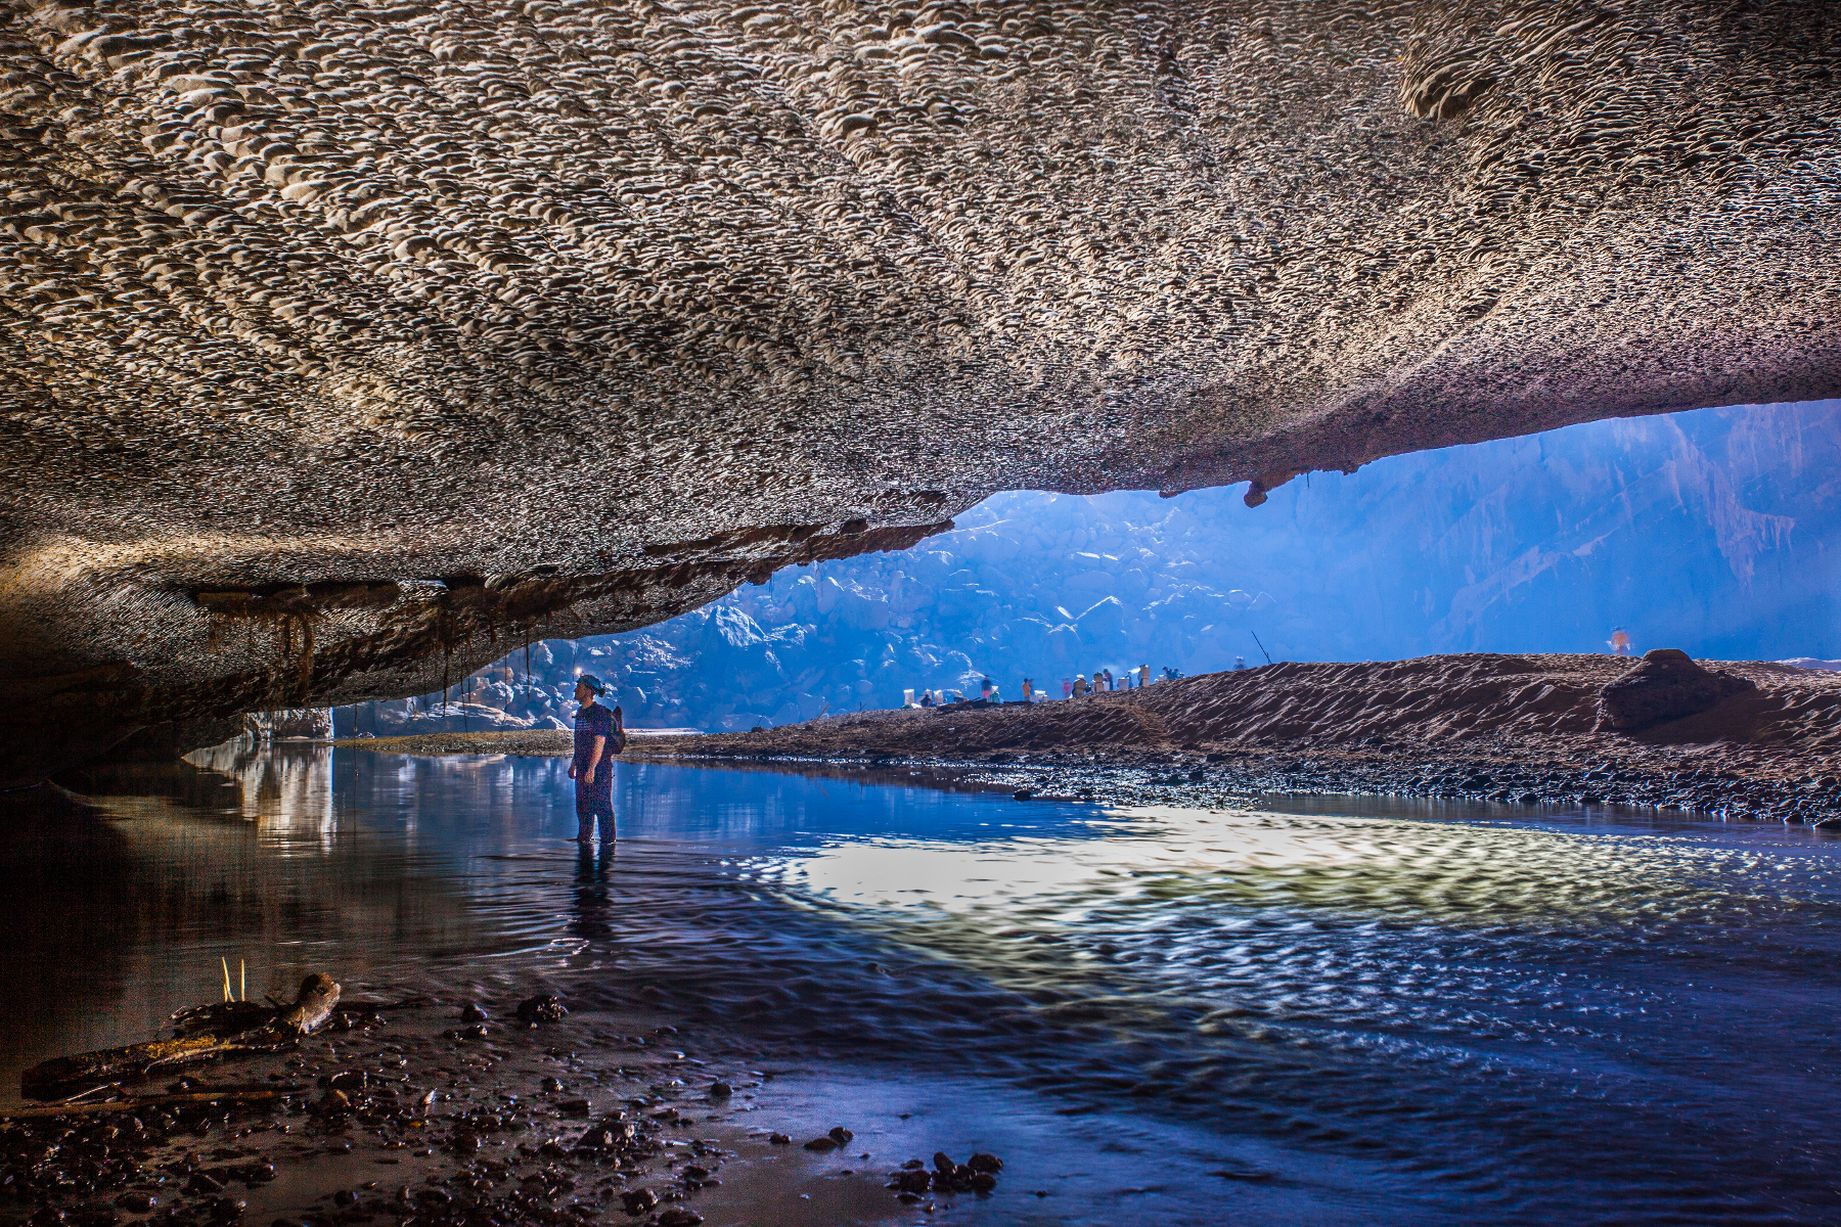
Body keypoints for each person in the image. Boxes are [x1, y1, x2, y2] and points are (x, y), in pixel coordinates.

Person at [569, 674, 618, 843]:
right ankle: (584, 841)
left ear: (589, 691)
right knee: (583, 808)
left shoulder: (599, 713)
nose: (575, 690)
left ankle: (608, 844)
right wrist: (573, 764)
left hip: (600, 770)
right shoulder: (580, 712)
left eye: (579, 687)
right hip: (583, 769)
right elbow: (580, 742)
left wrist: (592, 768)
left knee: (602, 807)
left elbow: (599, 741)